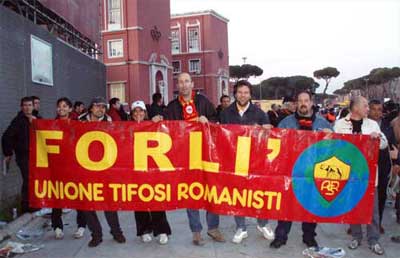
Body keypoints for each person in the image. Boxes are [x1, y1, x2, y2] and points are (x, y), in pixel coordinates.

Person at [166, 72, 224, 245]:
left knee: (211, 190)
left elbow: (216, 121)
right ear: (178, 86)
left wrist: (208, 120)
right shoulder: (172, 106)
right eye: (180, 82)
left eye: (186, 81)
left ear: (192, 84)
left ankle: (213, 228)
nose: (184, 85)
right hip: (185, 156)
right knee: (191, 192)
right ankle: (196, 231)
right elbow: (166, 129)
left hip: (206, 154)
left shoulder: (203, 101)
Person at [270, 91, 332, 249]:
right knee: (286, 206)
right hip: (291, 172)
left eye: (306, 100)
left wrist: (332, 137)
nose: (303, 103)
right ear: (296, 103)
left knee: (311, 207)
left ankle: (309, 237)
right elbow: (276, 144)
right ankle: (281, 236)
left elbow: (333, 149)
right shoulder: (285, 123)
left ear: (311, 102)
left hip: (313, 173)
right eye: (300, 101)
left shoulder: (323, 124)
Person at [219, 80, 274, 244]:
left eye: (246, 92)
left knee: (259, 192)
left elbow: (268, 136)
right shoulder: (226, 113)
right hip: (234, 160)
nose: (243, 95)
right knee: (238, 194)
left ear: (250, 95)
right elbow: (221, 136)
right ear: (235, 93)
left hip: (255, 160)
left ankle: (262, 223)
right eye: (240, 92)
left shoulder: (259, 113)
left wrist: (266, 130)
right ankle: (241, 227)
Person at [334, 96, 387, 255]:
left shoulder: (373, 124)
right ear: (355, 108)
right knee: (354, 208)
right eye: (365, 106)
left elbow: (383, 143)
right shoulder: (340, 124)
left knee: (372, 211)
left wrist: (377, 139)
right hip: (349, 176)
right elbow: (335, 146)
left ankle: (373, 240)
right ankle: (356, 237)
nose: (368, 109)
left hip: (369, 176)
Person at [80, 97, 126, 247]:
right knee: (88, 204)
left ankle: (116, 232)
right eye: (97, 106)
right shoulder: (80, 121)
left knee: (109, 201)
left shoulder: (109, 121)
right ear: (91, 108)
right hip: (85, 167)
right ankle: (96, 235)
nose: (101, 109)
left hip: (105, 167)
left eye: (103, 107)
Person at [129, 100, 172, 245]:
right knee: (139, 202)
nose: (138, 114)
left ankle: (161, 230)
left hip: (153, 169)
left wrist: (158, 119)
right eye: (135, 111)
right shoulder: (125, 128)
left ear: (145, 112)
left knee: (156, 200)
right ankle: (144, 230)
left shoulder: (153, 126)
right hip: (135, 170)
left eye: (140, 111)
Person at [51, 97, 87, 239]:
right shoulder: (50, 125)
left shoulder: (77, 124)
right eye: (59, 106)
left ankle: (81, 226)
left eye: (65, 106)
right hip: (57, 166)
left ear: (70, 109)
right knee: (57, 195)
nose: (62, 108)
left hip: (75, 165)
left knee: (79, 195)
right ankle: (57, 227)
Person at [368, 100, 400, 234]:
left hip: (382, 167)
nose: (376, 112)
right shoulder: (363, 125)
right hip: (365, 166)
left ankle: (378, 223)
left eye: (379, 109)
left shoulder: (388, 126)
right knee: (362, 196)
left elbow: (393, 146)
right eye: (373, 109)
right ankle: (356, 223)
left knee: (381, 196)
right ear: (368, 110)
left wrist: (396, 163)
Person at [2, 97, 37, 214]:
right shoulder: (18, 121)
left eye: (29, 105)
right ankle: (26, 207)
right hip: (24, 156)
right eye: (25, 105)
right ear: (21, 107)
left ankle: (33, 204)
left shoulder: (37, 119)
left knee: (34, 180)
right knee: (28, 179)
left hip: (36, 156)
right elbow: (6, 137)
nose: (27, 108)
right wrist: (8, 153)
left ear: (33, 106)